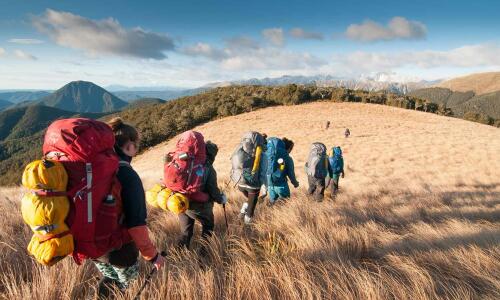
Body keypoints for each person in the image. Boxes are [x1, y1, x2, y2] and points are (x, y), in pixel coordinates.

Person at [94, 117, 165, 298]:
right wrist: (153, 256)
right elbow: (136, 223)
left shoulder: (95, 169)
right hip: (121, 249)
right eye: (136, 144)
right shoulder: (128, 176)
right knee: (129, 286)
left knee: (109, 278)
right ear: (128, 146)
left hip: (93, 246)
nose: (137, 148)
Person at [177, 141, 227, 250]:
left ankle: (179, 256)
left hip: (181, 203)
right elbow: (213, 190)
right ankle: (203, 255)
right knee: (208, 226)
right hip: (199, 206)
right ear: (213, 155)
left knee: (185, 232)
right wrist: (221, 199)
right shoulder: (209, 168)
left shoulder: (187, 163)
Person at [230, 131, 266, 224]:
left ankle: (242, 212)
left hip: (240, 183)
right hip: (253, 186)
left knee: (250, 201)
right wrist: (264, 187)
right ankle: (247, 229)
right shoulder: (262, 154)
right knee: (251, 211)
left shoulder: (240, 150)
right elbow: (263, 172)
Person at [264, 137, 299, 205]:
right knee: (285, 201)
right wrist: (295, 183)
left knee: (273, 203)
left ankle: (270, 213)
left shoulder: (270, 156)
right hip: (280, 184)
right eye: (291, 149)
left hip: (269, 184)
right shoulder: (287, 158)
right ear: (288, 148)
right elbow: (291, 173)